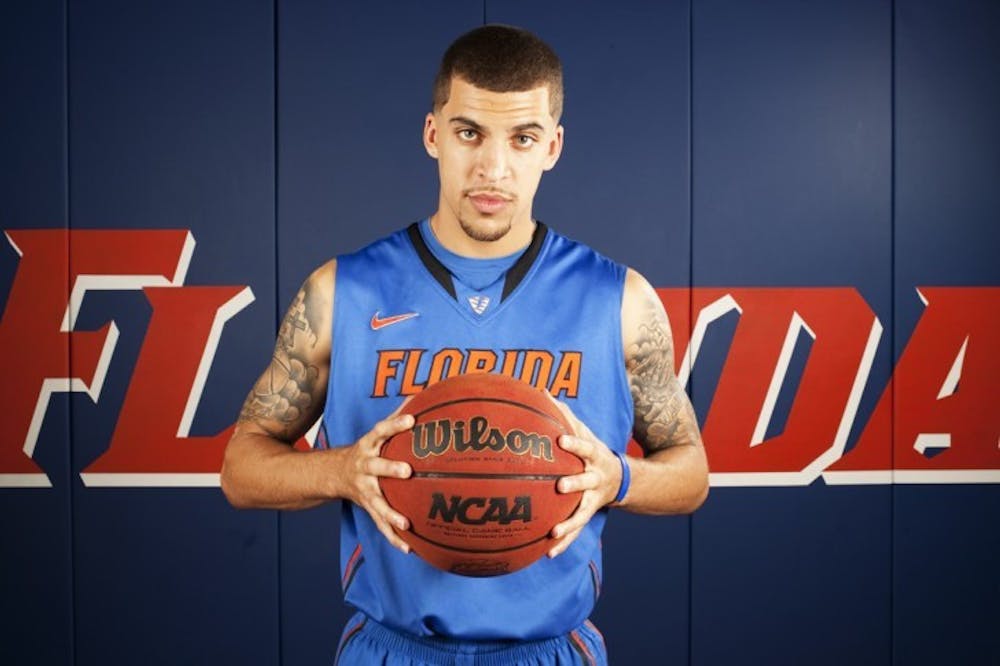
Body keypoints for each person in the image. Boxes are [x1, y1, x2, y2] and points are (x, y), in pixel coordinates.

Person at [221, 24, 708, 665]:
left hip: (550, 650)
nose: (492, 168)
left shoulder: (619, 301)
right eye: (469, 132)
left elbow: (691, 473)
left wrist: (616, 478)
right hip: (392, 650)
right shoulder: (342, 293)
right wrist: (341, 471)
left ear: (553, 147)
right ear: (433, 134)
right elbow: (240, 469)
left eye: (523, 138)